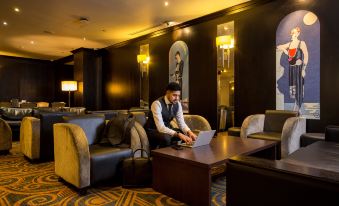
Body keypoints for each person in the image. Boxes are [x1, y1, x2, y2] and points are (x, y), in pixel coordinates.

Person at [144, 82, 197, 149]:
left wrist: (189, 132)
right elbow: (160, 127)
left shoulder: (178, 104)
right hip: (153, 130)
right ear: (167, 93)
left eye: (178, 95)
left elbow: (181, 123)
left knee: (183, 133)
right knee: (166, 138)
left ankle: (177, 155)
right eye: (174, 95)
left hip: (166, 128)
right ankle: (162, 156)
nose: (177, 98)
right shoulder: (157, 104)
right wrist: (178, 134)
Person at [277, 26, 309, 113]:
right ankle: (295, 107)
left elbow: (306, 56)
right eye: (292, 32)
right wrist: (285, 50)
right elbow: (279, 46)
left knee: (299, 87)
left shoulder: (301, 43)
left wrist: (303, 69)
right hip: (291, 69)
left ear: (298, 33)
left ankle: (298, 107)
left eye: (294, 32)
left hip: (299, 68)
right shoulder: (289, 44)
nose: (293, 34)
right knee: (293, 88)